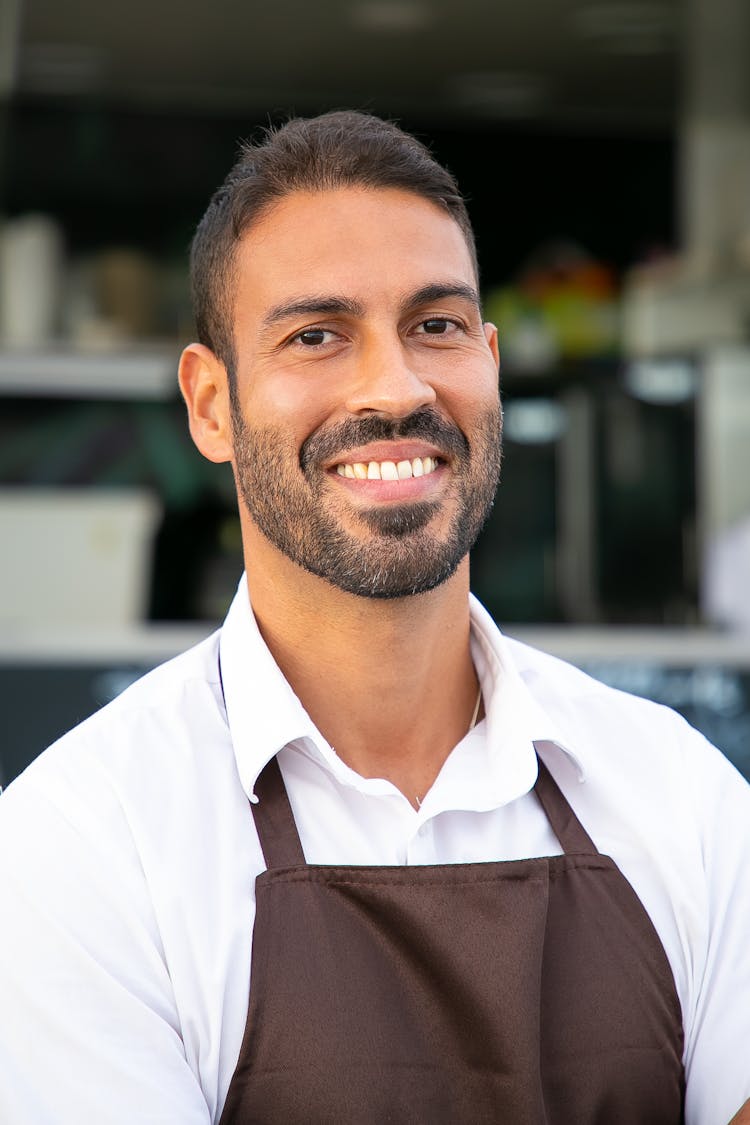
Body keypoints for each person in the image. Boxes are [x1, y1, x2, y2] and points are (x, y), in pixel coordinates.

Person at [0, 111, 748, 1125]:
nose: (395, 387)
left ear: (487, 359)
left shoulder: (686, 800)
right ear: (210, 406)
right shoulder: (81, 848)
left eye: (436, 325)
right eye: (317, 336)